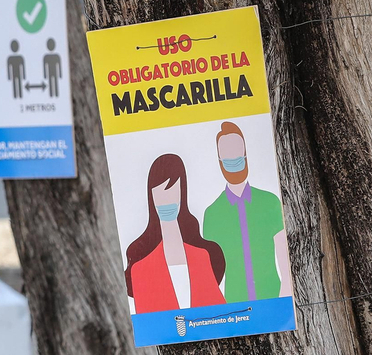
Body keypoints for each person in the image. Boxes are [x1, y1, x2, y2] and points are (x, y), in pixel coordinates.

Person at [200, 121, 291, 302]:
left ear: (245, 153)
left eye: (237, 152)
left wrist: (284, 297)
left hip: (272, 297)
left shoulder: (269, 202)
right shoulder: (212, 214)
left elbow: (284, 255)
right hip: (235, 304)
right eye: (227, 155)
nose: (233, 159)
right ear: (219, 160)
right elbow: (210, 273)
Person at [124, 153, 226, 313]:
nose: (167, 200)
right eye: (160, 192)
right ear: (151, 197)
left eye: (172, 190)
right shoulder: (140, 270)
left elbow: (219, 312)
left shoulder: (203, 257)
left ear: (182, 192)